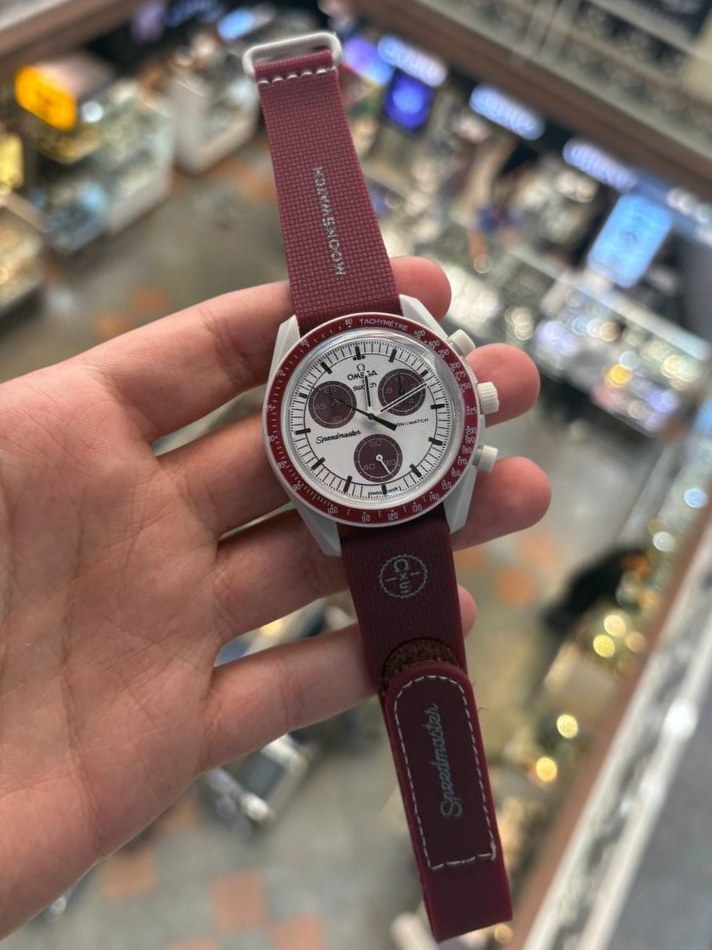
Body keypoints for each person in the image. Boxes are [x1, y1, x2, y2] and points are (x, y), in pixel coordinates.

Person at [0, 257, 549, 937]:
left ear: (470, 399)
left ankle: (465, 882)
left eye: (396, 399)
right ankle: (464, 883)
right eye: (343, 410)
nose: (372, 417)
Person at [543, 544, 652, 637]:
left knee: (567, 607)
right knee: (568, 610)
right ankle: (551, 622)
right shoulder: (614, 570)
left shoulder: (616, 562)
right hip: (583, 594)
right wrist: (633, 605)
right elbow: (611, 594)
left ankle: (552, 619)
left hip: (583, 588)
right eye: (640, 564)